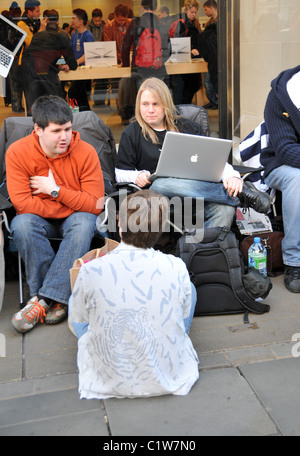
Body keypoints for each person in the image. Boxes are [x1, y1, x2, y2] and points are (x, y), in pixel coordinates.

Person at [69, 189, 199, 399]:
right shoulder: (176, 266)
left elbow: (78, 317)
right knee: (189, 289)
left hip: (106, 378)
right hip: (169, 375)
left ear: (119, 224)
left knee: (76, 297)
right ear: (161, 230)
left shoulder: (90, 270)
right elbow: (183, 315)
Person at [115, 77, 271, 229]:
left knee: (225, 210)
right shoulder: (132, 133)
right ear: (138, 106)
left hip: (199, 197)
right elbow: (119, 173)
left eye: (156, 104)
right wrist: (135, 176)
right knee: (160, 183)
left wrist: (233, 177)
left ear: (166, 105)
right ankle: (238, 196)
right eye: (145, 104)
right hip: (161, 203)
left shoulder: (188, 127)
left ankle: (202, 251)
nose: (150, 109)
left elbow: (213, 161)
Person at [6, 95, 105, 333]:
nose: (64, 136)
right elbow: (21, 203)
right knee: (22, 224)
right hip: (40, 220)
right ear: (38, 130)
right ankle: (56, 299)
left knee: (83, 222)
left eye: (68, 129)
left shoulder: (86, 151)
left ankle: (40, 301)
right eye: (57, 130)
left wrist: (55, 191)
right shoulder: (17, 153)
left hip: (76, 219)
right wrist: (72, 201)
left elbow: (96, 205)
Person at [261, 65, 300, 293]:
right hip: (282, 166)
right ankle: (294, 261)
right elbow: (286, 150)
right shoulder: (280, 95)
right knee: (298, 178)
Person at [21, 9, 77, 112]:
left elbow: (43, 55)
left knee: (33, 106)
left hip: (27, 67)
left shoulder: (37, 35)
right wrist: (66, 65)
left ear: (45, 20)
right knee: (56, 103)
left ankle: (35, 127)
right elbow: (73, 63)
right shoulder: (62, 36)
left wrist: (58, 65)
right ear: (58, 21)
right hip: (43, 69)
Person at [68, 8, 94, 111]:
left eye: (74, 18)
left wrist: (76, 62)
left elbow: (88, 54)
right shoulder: (74, 34)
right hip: (76, 69)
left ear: (81, 21)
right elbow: (69, 51)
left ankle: (78, 114)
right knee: (80, 95)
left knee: (73, 92)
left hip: (85, 70)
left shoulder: (88, 36)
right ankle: (85, 114)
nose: (71, 20)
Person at [199, 0, 218, 110]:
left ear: (211, 8)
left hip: (217, 58)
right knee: (208, 81)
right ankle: (213, 101)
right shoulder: (210, 23)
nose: (205, 12)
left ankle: (217, 101)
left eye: (206, 9)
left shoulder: (222, 22)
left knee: (214, 81)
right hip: (210, 58)